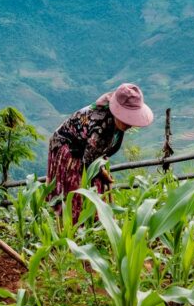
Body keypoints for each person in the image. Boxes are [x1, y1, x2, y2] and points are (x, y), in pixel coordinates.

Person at [48, 83, 154, 219]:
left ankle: (98, 220)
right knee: (76, 191)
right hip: (67, 147)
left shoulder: (113, 121)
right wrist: (102, 172)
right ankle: (76, 224)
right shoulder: (101, 127)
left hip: (87, 150)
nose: (130, 123)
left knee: (96, 185)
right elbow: (89, 161)